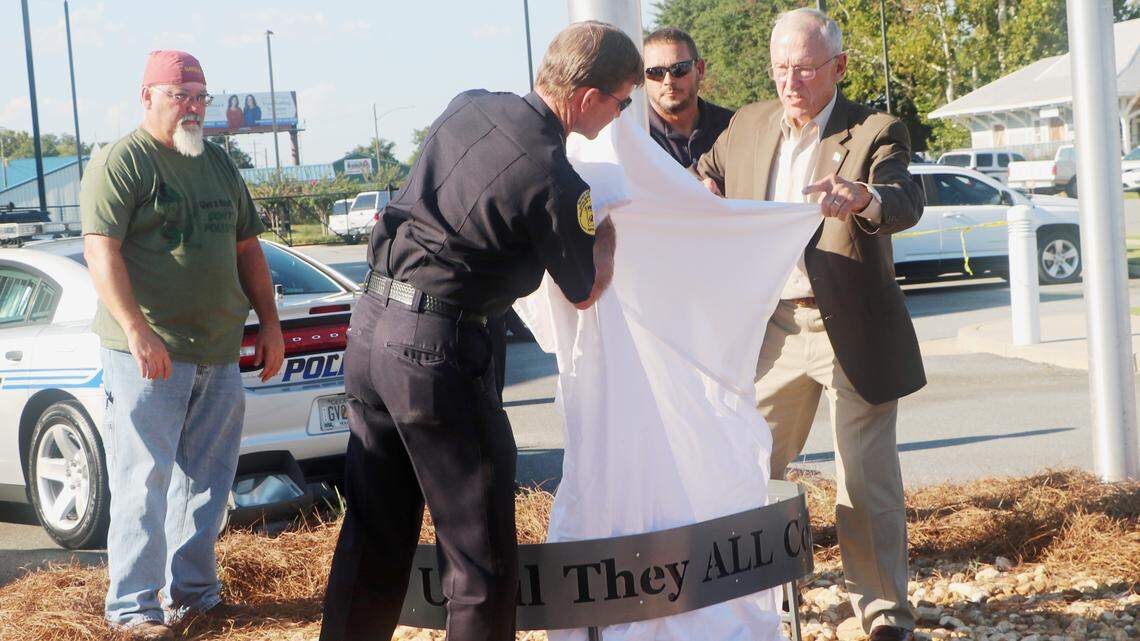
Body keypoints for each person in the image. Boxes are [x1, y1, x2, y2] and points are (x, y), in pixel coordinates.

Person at [319, 20, 643, 641]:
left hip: (370, 328)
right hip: (435, 350)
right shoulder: (554, 175)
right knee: (480, 559)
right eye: (621, 101)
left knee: (374, 532)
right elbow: (584, 289)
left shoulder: (468, 105)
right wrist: (604, 232)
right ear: (584, 96)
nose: (620, 114)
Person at [694, 9, 925, 641]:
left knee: (862, 475)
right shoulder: (747, 124)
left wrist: (862, 198)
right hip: (772, 328)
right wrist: (704, 192)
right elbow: (706, 175)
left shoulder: (874, 130)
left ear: (839, 68)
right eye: (780, 68)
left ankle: (881, 612)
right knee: (750, 465)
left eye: (805, 68)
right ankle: (760, 594)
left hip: (848, 327)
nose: (790, 81)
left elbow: (904, 199)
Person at [80, 50, 284, 641]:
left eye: (200, 97)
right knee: (143, 477)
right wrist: (138, 331)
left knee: (207, 482)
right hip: (146, 354)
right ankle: (134, 609)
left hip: (217, 350)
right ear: (147, 97)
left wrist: (268, 324)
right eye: (179, 96)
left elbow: (249, 249)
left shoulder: (218, 164)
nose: (192, 108)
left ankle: (194, 597)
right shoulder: (123, 162)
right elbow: (101, 250)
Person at [644, 27, 734, 168]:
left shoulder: (731, 128)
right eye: (655, 72)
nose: (668, 80)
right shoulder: (634, 136)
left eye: (679, 69)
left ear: (700, 69)